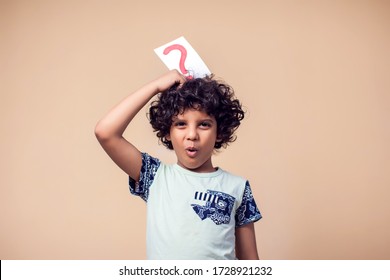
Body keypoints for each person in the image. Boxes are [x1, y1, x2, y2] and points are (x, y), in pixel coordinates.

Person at [95, 70, 262, 259]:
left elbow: (251, 263)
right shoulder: (154, 176)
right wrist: (156, 86)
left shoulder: (238, 187)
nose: (192, 135)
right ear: (167, 131)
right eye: (181, 124)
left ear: (220, 131)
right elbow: (105, 132)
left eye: (204, 124)